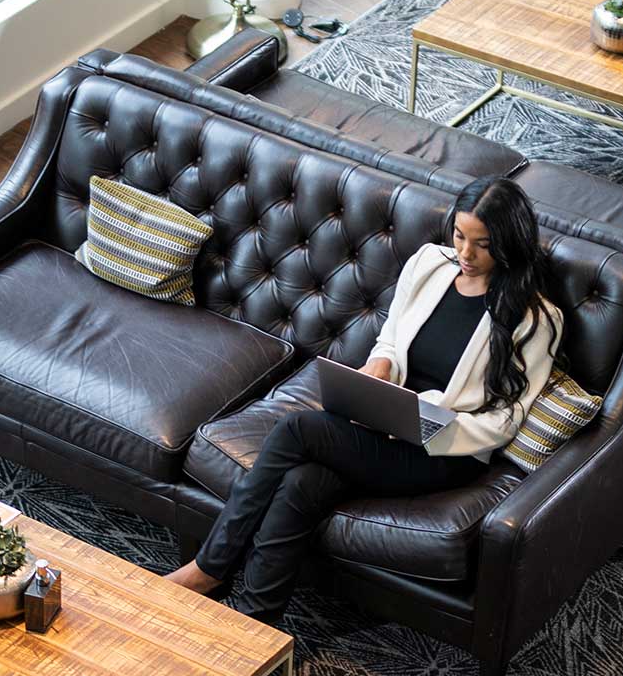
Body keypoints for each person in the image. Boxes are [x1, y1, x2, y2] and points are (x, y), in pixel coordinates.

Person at [166, 176, 563, 618]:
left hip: (444, 452)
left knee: (298, 427)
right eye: (459, 235)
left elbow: (505, 421)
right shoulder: (431, 264)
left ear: (508, 243)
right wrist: (380, 369)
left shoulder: (534, 318)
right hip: (386, 421)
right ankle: (254, 618)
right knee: (301, 484)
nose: (465, 254)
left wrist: (425, 422)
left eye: (482, 245)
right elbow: (391, 339)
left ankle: (209, 567)